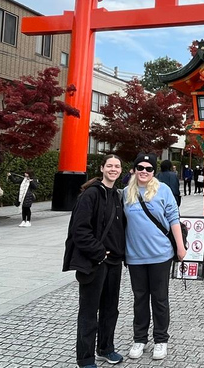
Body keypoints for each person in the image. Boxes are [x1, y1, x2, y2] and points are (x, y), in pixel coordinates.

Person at [62, 154, 126, 368]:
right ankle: (85, 358)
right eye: (110, 165)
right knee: (89, 311)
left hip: (114, 262)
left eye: (117, 166)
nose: (113, 169)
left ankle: (106, 348)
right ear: (102, 168)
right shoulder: (90, 195)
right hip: (95, 262)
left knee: (110, 309)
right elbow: (79, 230)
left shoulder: (117, 195)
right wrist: (99, 252)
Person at [124, 153, 186, 361]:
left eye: (149, 168)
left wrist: (180, 247)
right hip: (135, 256)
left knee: (159, 299)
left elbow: (173, 218)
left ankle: (161, 339)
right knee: (140, 299)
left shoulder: (163, 190)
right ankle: (139, 339)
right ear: (133, 169)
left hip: (160, 254)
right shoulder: (125, 193)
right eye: (140, 167)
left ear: (154, 171)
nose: (144, 171)